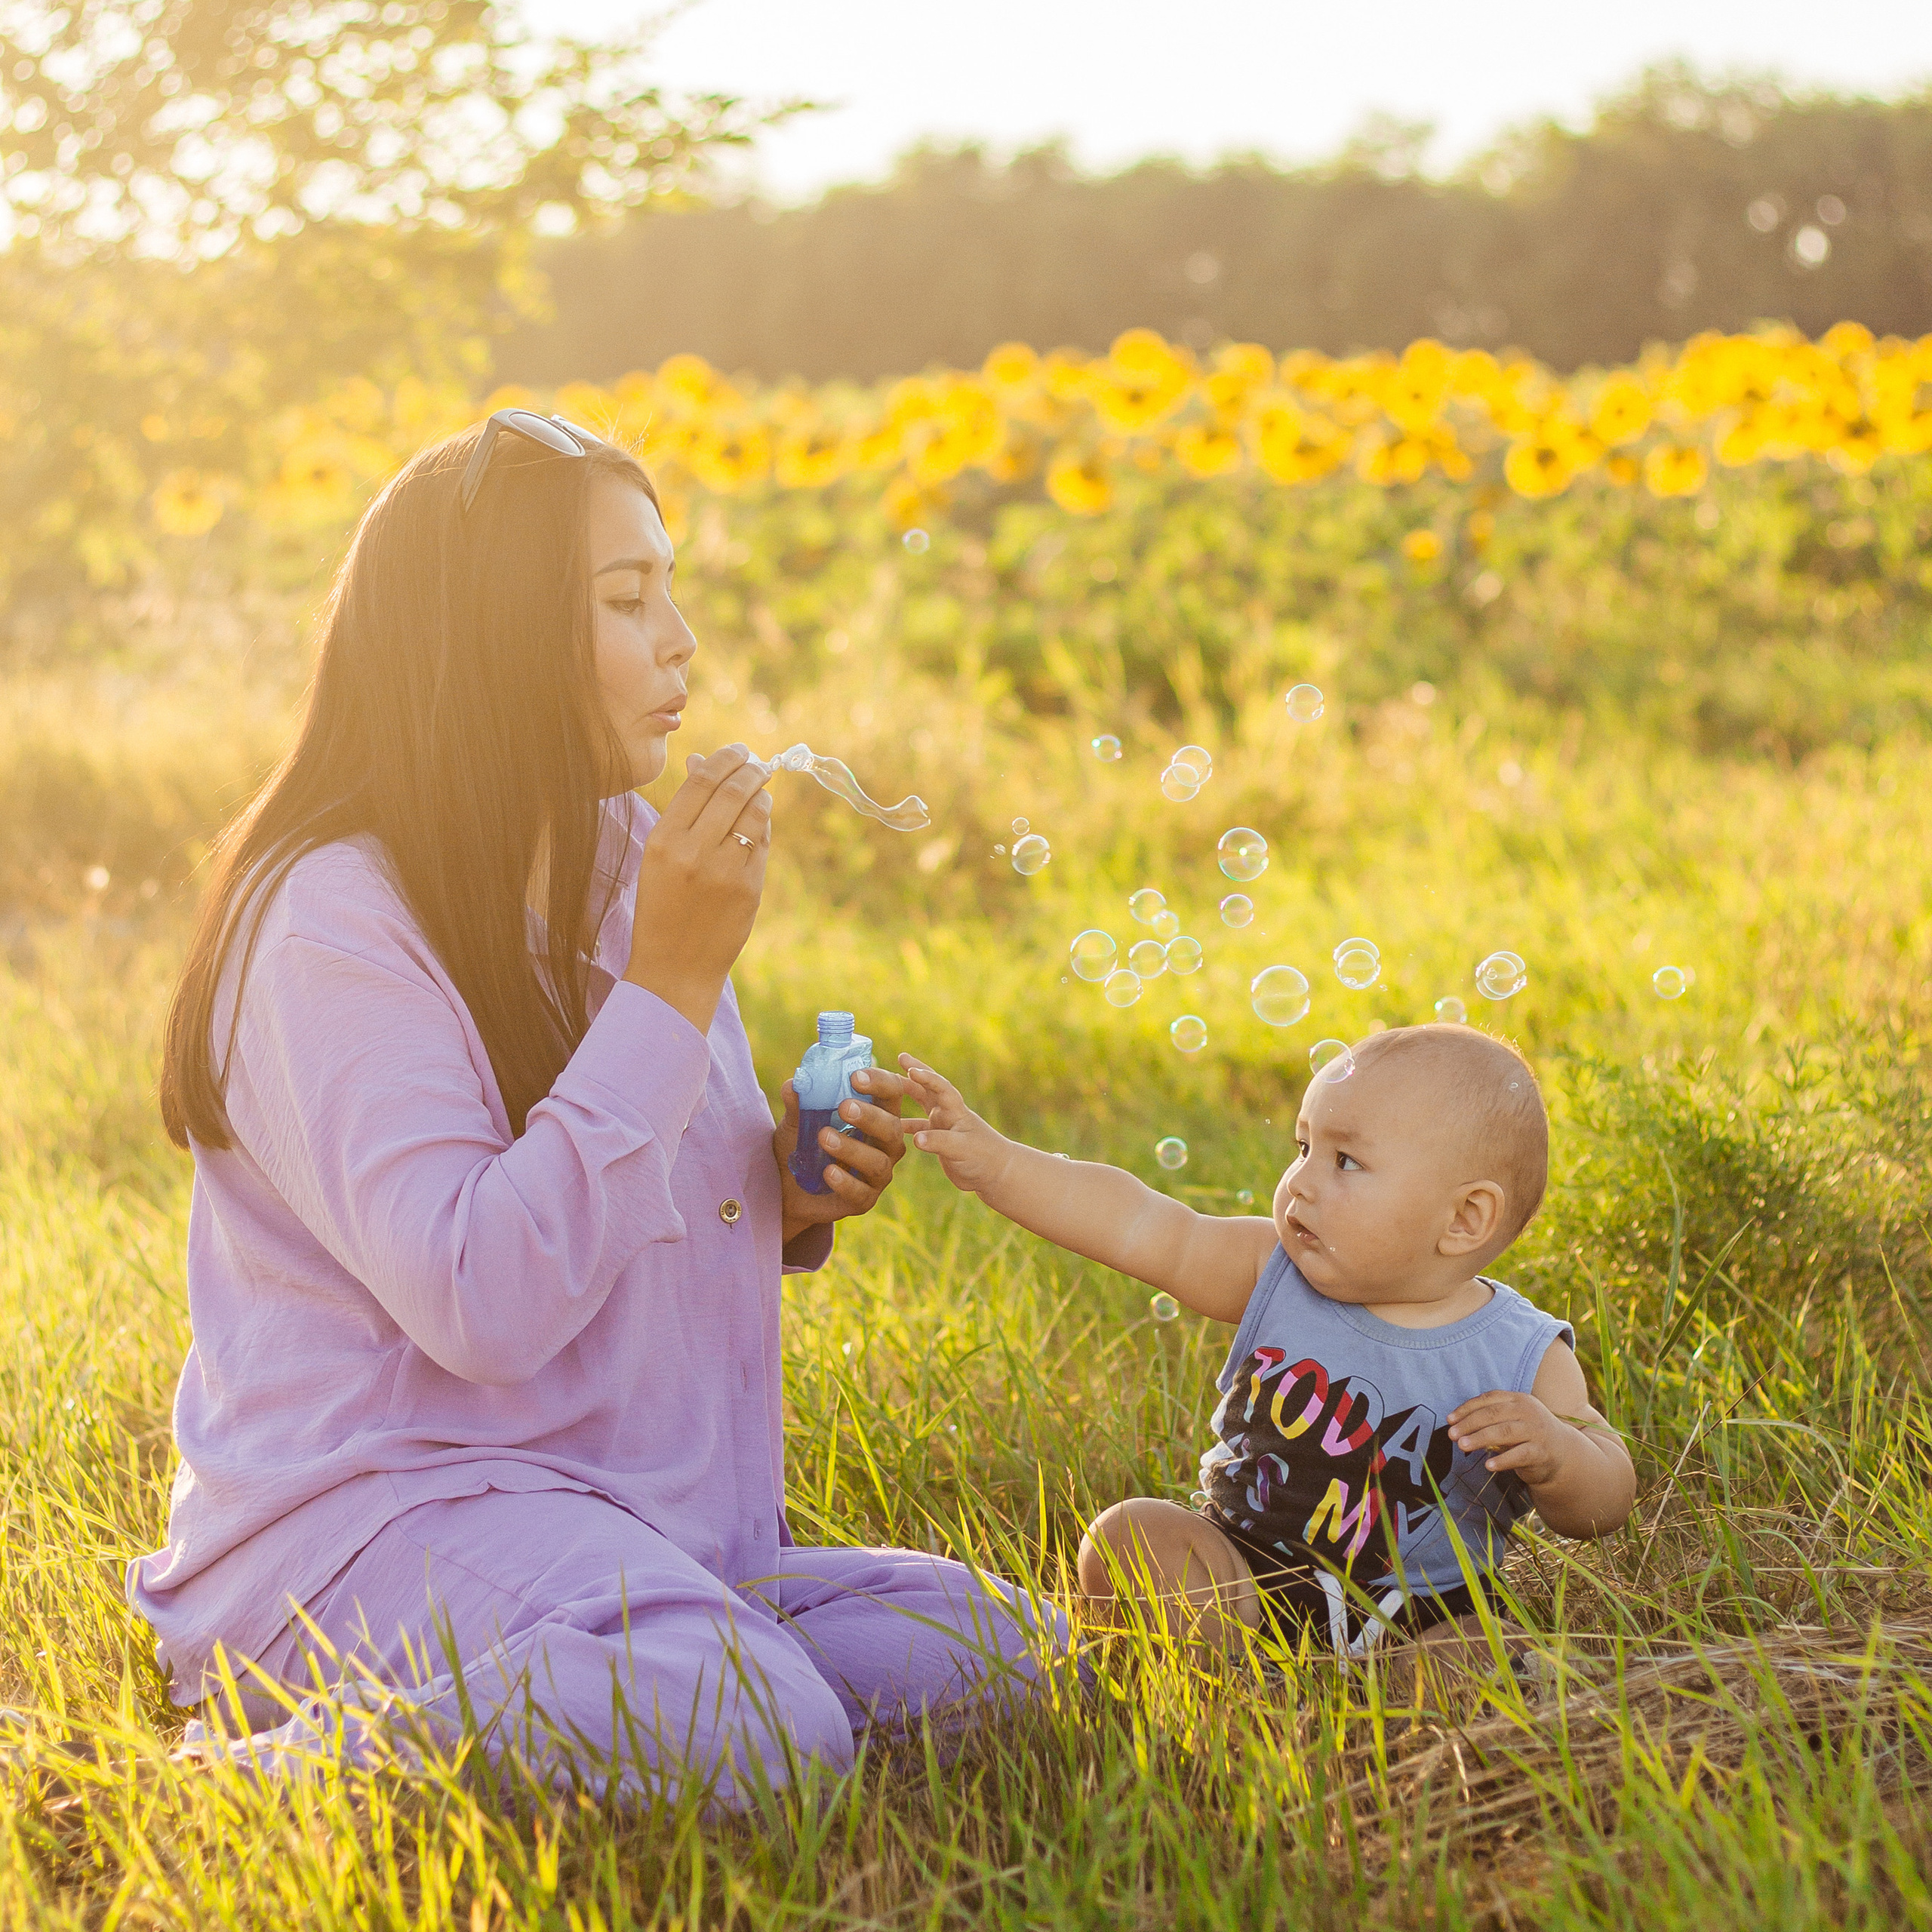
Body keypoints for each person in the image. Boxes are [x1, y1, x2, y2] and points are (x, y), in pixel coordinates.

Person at [128, 411, 1057, 1803]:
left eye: (671, 590)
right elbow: (481, 1300)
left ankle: (673, 1666)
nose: (682, 641)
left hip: (626, 1512)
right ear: (494, 638)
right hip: (368, 1533)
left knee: (999, 1649)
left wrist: (785, 1189)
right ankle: (223, 1787)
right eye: (628, 600)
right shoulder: (328, 918)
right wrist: (672, 981)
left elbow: (625, 1170)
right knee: (758, 1724)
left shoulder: (619, 852)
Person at [901, 1023, 1635, 1660]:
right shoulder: (1271, 1271)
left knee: (1485, 1650)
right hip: (1245, 1570)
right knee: (1132, 1534)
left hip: (1421, 1612)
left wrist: (1557, 1453)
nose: (1300, 1183)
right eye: (1304, 1146)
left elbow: (1605, 1502)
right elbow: (1138, 1223)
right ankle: (1217, 1663)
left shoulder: (1523, 1352)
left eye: (1345, 1161)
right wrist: (1000, 1164)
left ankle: (1396, 1690)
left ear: (1464, 1219)